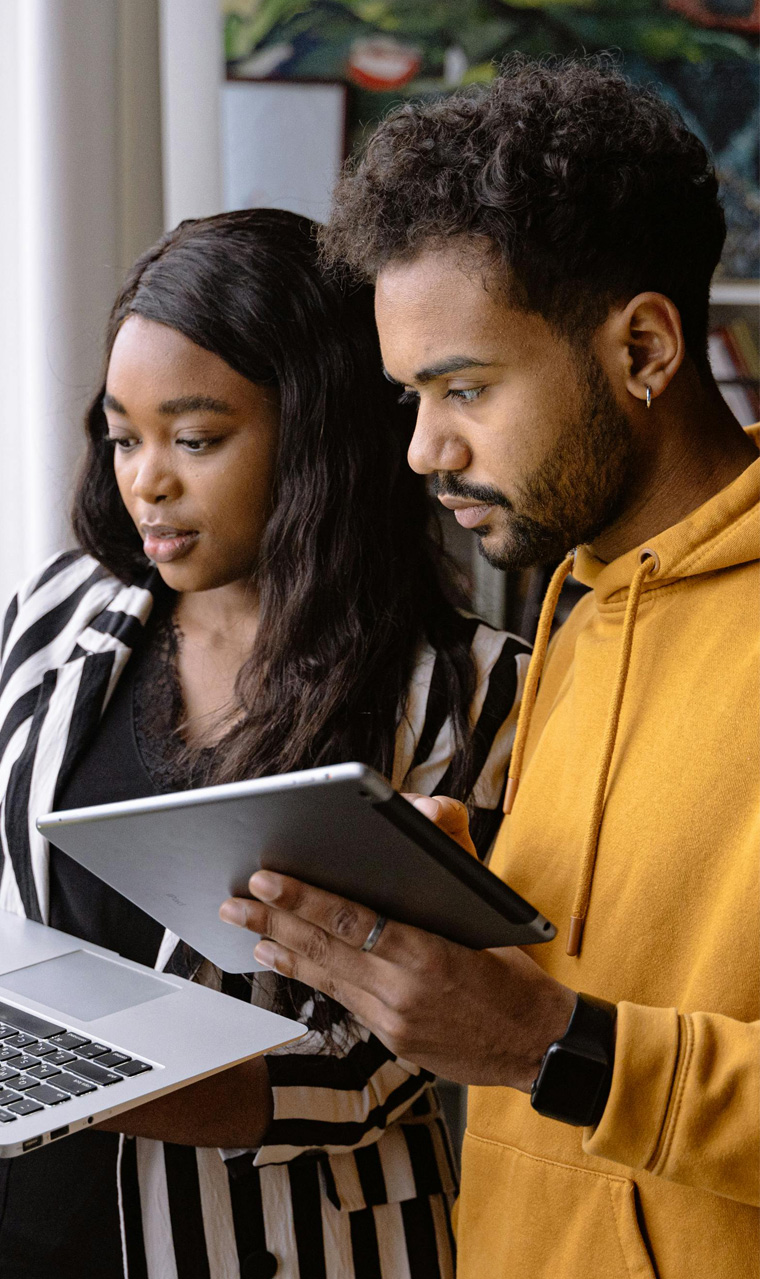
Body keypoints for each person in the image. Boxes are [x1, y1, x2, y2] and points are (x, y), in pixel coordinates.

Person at [0, 209, 530, 1279]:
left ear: (320, 432)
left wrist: (48, 1067)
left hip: (269, 1244)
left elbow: (376, 1071)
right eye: (123, 435)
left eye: (195, 438)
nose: (145, 479)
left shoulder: (468, 691)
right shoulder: (70, 607)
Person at [221, 61, 760, 1279]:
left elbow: (569, 1044)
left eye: (465, 388)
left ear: (645, 348)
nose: (423, 449)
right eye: (411, 395)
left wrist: (549, 1045)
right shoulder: (578, 599)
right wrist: (467, 910)